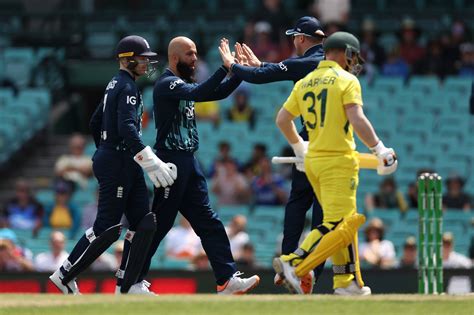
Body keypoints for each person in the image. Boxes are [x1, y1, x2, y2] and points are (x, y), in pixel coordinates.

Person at [49, 35, 177, 295]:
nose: (145, 63)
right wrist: (147, 160)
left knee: (144, 223)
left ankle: (127, 286)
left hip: (120, 159)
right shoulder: (127, 87)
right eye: (141, 59)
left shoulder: (115, 84)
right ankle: (64, 274)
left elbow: (96, 122)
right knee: (107, 227)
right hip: (119, 161)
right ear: (127, 60)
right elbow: (126, 127)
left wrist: (106, 149)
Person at [272, 31, 398, 295]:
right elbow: (357, 119)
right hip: (338, 161)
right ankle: (293, 263)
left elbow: (282, 119)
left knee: (340, 220)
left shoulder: (305, 82)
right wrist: (379, 148)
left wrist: (298, 145)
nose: (354, 61)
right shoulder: (346, 80)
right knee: (340, 225)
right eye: (352, 55)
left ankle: (346, 281)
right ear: (341, 52)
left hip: (314, 162)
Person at [137, 36, 260, 295]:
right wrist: (226, 67)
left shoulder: (183, 84)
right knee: (159, 225)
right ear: (174, 57)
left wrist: (240, 71)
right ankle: (132, 280)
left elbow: (219, 92)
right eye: (190, 54)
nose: (195, 59)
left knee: (209, 221)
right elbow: (199, 92)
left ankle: (226, 279)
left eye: (195, 54)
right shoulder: (167, 84)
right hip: (170, 162)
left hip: (189, 162)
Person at [220, 16, 326, 289]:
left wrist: (233, 65)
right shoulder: (326, 63)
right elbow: (274, 70)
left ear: (301, 39)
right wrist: (261, 65)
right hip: (335, 141)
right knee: (325, 209)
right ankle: (312, 270)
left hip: (312, 140)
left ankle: (291, 262)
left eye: (294, 37)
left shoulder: (306, 63)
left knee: (301, 201)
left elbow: (260, 77)